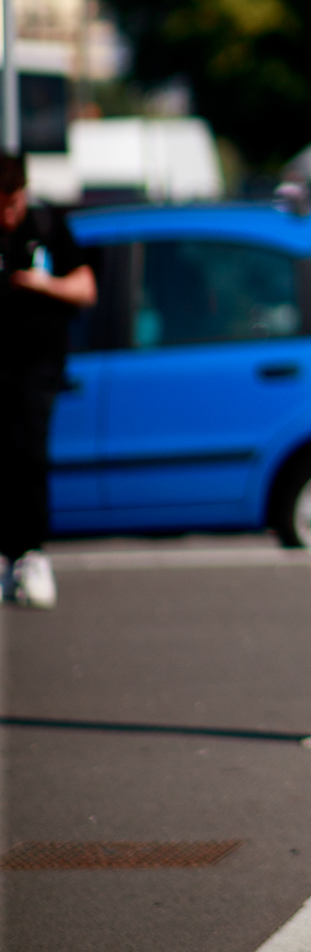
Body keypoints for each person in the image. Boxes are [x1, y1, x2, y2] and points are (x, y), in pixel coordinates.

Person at [0, 152, 98, 609]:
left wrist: (39, 283)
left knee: (28, 452)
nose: (6, 215)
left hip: (37, 364)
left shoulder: (46, 226)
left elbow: (85, 288)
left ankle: (31, 553)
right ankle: (9, 555)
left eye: (11, 203)